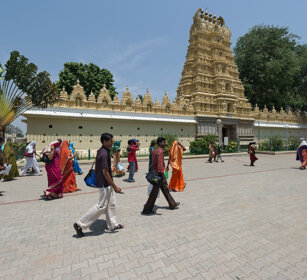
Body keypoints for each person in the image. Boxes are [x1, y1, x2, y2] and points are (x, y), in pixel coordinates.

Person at [73, 133, 124, 238]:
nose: (112, 143)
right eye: (110, 141)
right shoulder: (104, 154)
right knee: (101, 206)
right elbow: (105, 172)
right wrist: (114, 186)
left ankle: (113, 225)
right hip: (105, 184)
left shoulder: (102, 151)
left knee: (111, 204)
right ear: (105, 142)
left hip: (106, 183)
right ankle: (79, 224)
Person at [142, 137, 180, 214]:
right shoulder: (160, 152)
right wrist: (160, 174)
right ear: (159, 143)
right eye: (163, 142)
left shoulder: (154, 151)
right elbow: (159, 164)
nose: (165, 143)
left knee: (165, 189)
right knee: (154, 193)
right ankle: (147, 210)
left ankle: (172, 204)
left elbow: (152, 163)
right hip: (159, 174)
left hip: (156, 172)